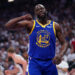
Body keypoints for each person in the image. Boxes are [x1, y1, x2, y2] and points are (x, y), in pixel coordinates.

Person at [5, 4, 68, 75]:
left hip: (50, 62)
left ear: (46, 11)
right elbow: (8, 25)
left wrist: (60, 55)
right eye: (37, 9)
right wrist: (22, 17)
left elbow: (64, 43)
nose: (40, 10)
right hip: (35, 62)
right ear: (35, 13)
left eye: (42, 8)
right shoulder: (31, 24)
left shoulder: (55, 26)